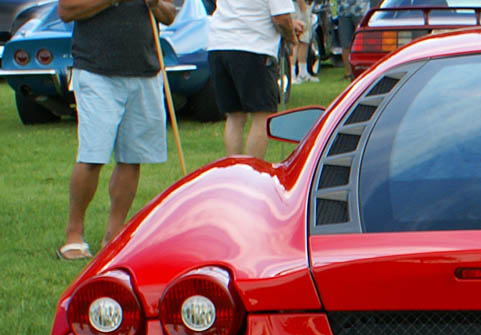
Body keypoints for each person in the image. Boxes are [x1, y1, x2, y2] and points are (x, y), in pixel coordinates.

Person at [56, 0, 177, 260]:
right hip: (96, 70)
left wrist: (155, 4)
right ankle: (73, 234)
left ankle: (114, 236)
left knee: (132, 158)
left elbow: (169, 16)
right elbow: (66, 11)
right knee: (92, 156)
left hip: (145, 70)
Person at [207, 0, 301, 159]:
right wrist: (292, 39)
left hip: (219, 44)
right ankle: (251, 173)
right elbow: (281, 18)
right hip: (252, 46)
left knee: (235, 116)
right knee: (262, 115)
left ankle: (233, 170)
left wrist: (290, 24)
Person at [337, 0, 369, 79]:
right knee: (345, 43)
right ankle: (348, 73)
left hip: (360, 9)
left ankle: (365, 71)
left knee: (364, 42)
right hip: (343, 10)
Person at [293, 0, 315, 82]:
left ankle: (303, 73)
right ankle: (292, 74)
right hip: (298, 7)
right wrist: (303, 7)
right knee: (296, 42)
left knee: (304, 41)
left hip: (303, 5)